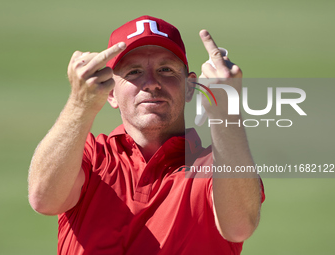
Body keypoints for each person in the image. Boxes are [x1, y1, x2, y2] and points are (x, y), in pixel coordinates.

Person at [28, 15, 265, 255]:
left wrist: (225, 111)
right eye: (134, 72)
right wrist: (80, 105)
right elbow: (44, 199)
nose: (151, 83)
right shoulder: (89, 157)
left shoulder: (217, 166)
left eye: (165, 69)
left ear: (191, 87)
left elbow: (239, 227)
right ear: (111, 92)